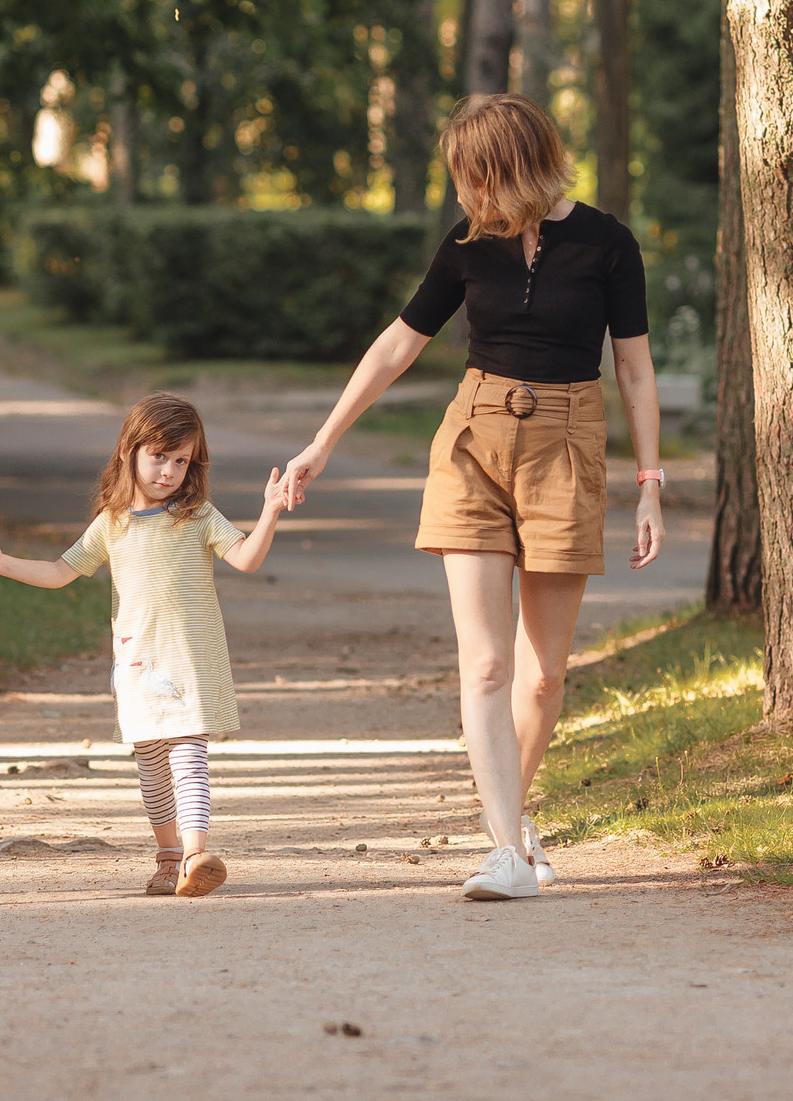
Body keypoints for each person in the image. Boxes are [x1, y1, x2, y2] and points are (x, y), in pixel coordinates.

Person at [283, 94, 664, 902]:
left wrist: (651, 482)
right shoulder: (466, 247)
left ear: (517, 166)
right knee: (488, 660)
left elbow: (633, 369)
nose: (468, 195)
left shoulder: (607, 244)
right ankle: (503, 850)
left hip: (568, 440)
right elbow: (398, 343)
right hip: (473, 441)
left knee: (545, 675)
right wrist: (324, 440)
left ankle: (515, 817)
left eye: (478, 177)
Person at [0, 393, 289, 898]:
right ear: (129, 452)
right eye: (159, 456)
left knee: (188, 752)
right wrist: (2, 562)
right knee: (151, 764)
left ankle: (196, 852)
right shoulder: (111, 523)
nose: (169, 471)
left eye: (181, 460)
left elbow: (246, 558)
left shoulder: (198, 515)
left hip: (190, 662)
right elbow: (58, 572)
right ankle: (167, 858)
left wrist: (269, 510)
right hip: (137, 665)